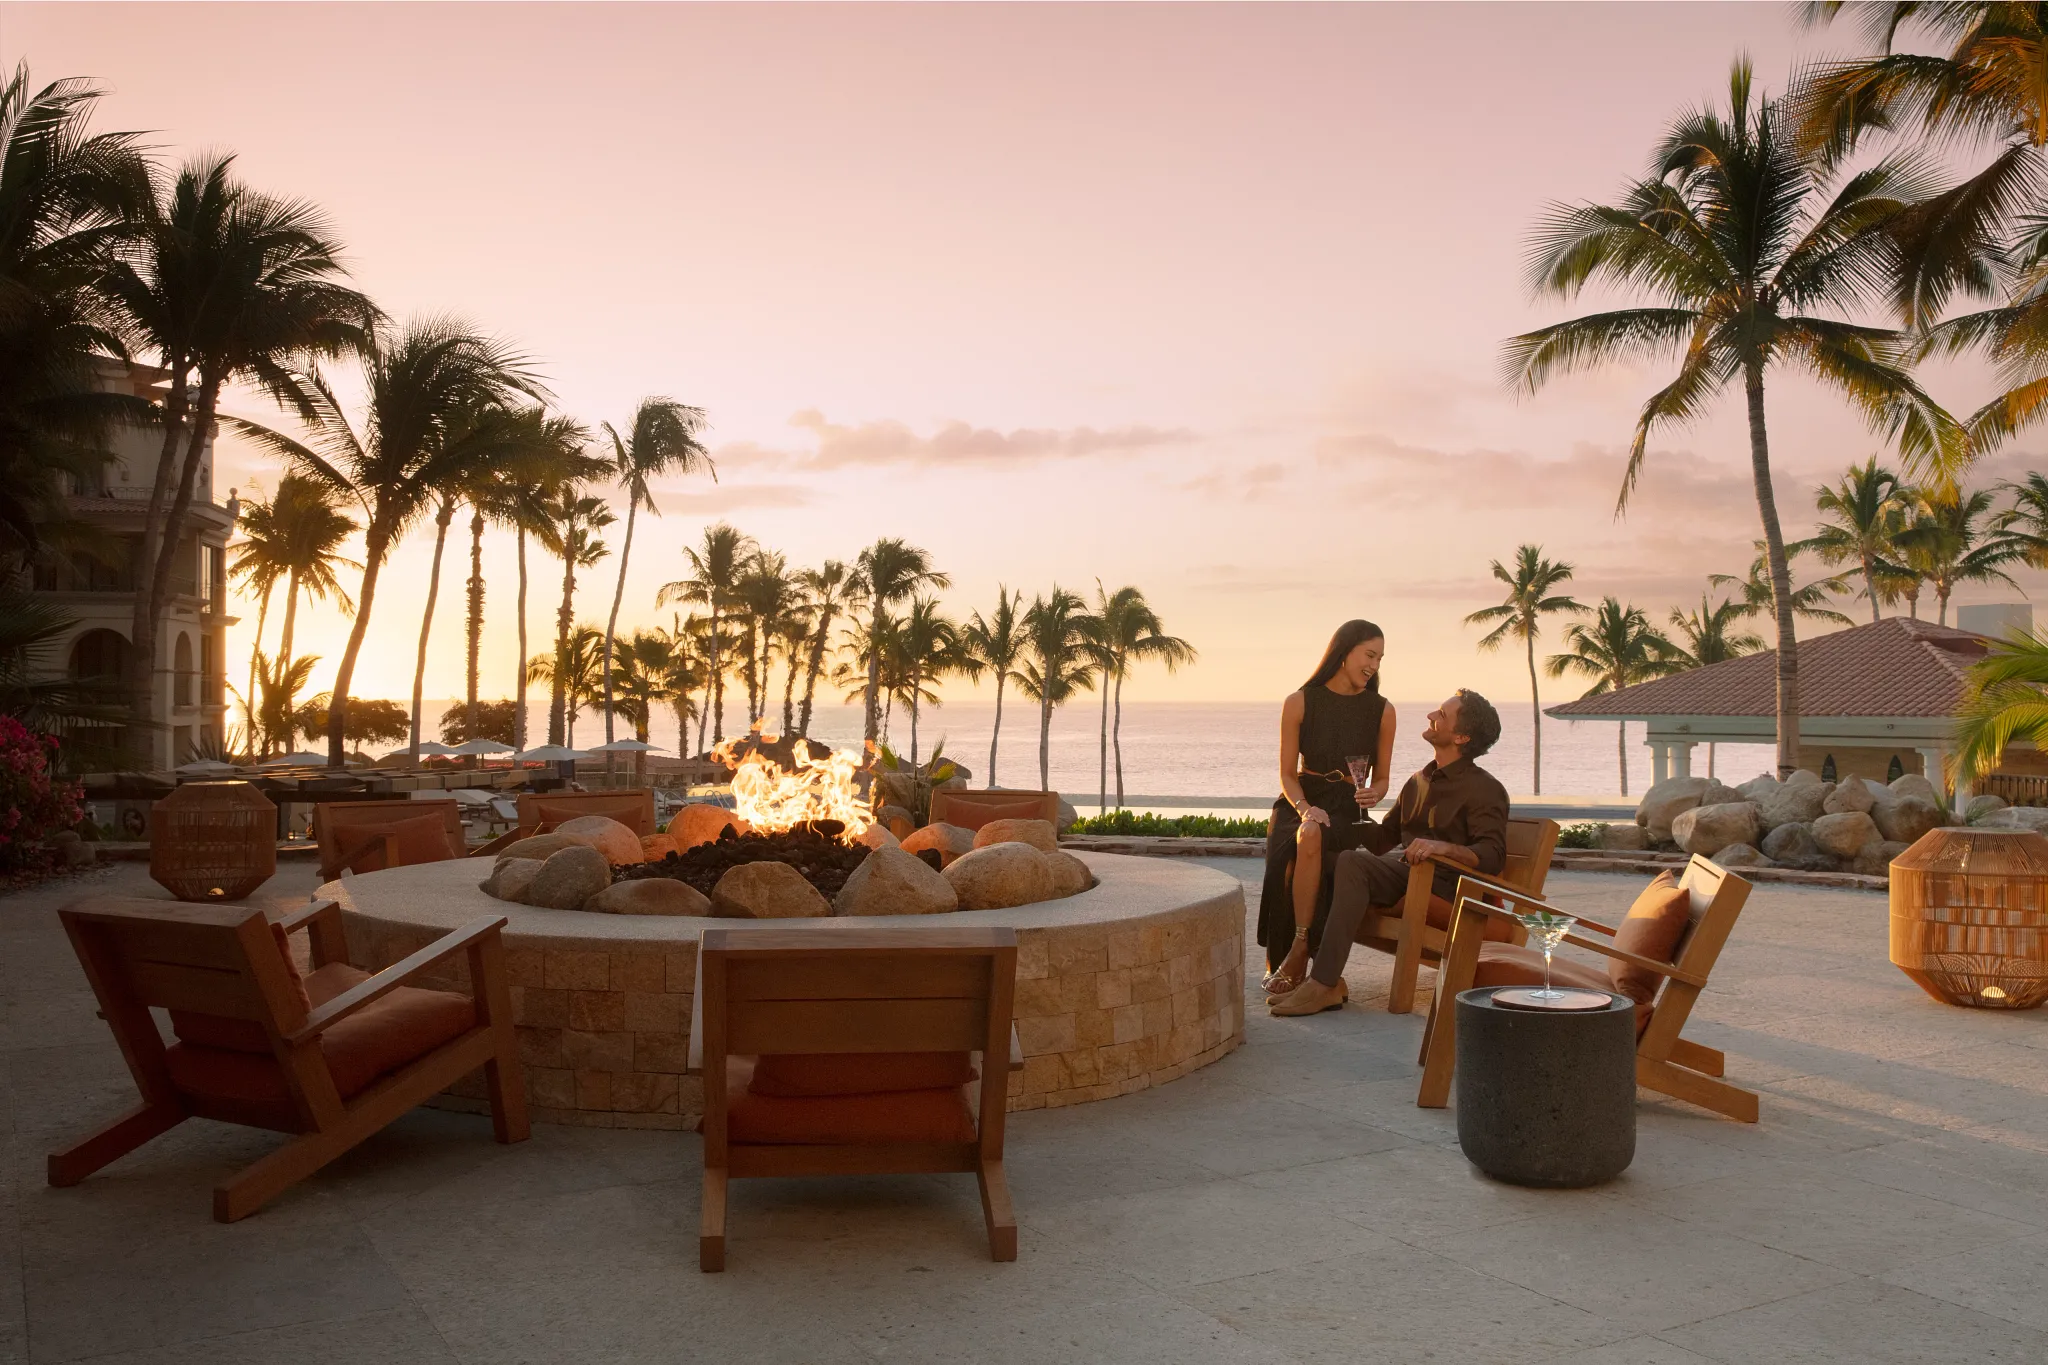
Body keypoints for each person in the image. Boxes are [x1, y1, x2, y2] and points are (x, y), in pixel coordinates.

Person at [1269, 689, 1508, 1016]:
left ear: (1461, 736)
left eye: (1441, 715)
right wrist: (1344, 807)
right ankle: (1318, 972)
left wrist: (1440, 847)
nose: (1431, 717)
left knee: (1352, 864)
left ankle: (1323, 984)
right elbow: (1381, 841)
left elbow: (1493, 855)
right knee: (1326, 860)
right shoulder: (1418, 782)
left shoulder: (1485, 789)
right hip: (1409, 876)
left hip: (1448, 888)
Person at [1256, 620, 1398, 997]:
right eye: (1369, 655)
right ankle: (1294, 951)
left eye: (1380, 658)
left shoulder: (1382, 711)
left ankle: (1301, 950)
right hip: (1300, 799)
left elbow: (1381, 778)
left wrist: (1375, 794)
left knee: (1316, 840)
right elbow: (1287, 774)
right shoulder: (1300, 701)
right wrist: (1304, 808)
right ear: (1343, 651)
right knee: (1302, 839)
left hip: (1348, 805)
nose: (1374, 665)